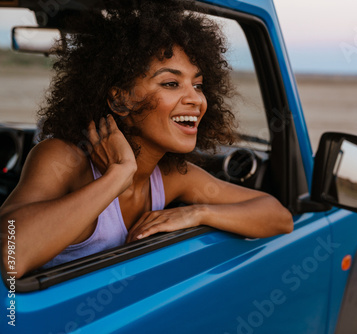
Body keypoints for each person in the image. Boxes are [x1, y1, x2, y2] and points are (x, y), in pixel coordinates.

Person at [0, 1, 293, 278]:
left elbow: (279, 217)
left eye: (198, 85)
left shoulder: (170, 176)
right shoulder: (62, 159)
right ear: (120, 99)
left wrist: (196, 213)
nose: (196, 99)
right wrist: (118, 175)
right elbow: (11, 255)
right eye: (171, 83)